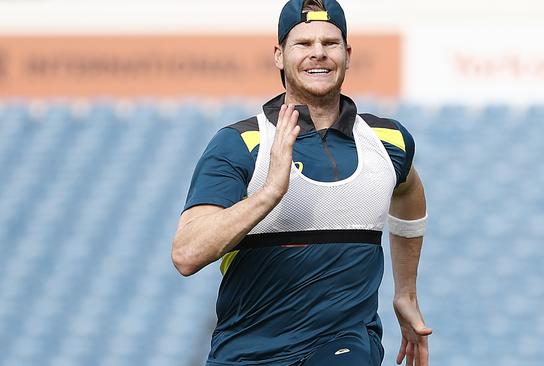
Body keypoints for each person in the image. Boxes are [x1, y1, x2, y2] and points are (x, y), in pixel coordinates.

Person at [171, 0, 431, 365]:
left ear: (348, 54)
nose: (318, 54)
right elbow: (186, 254)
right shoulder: (241, 143)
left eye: (330, 43)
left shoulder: (389, 141)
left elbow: (408, 193)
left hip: (345, 345)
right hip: (249, 353)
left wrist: (406, 292)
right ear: (279, 55)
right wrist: (270, 194)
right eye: (304, 44)